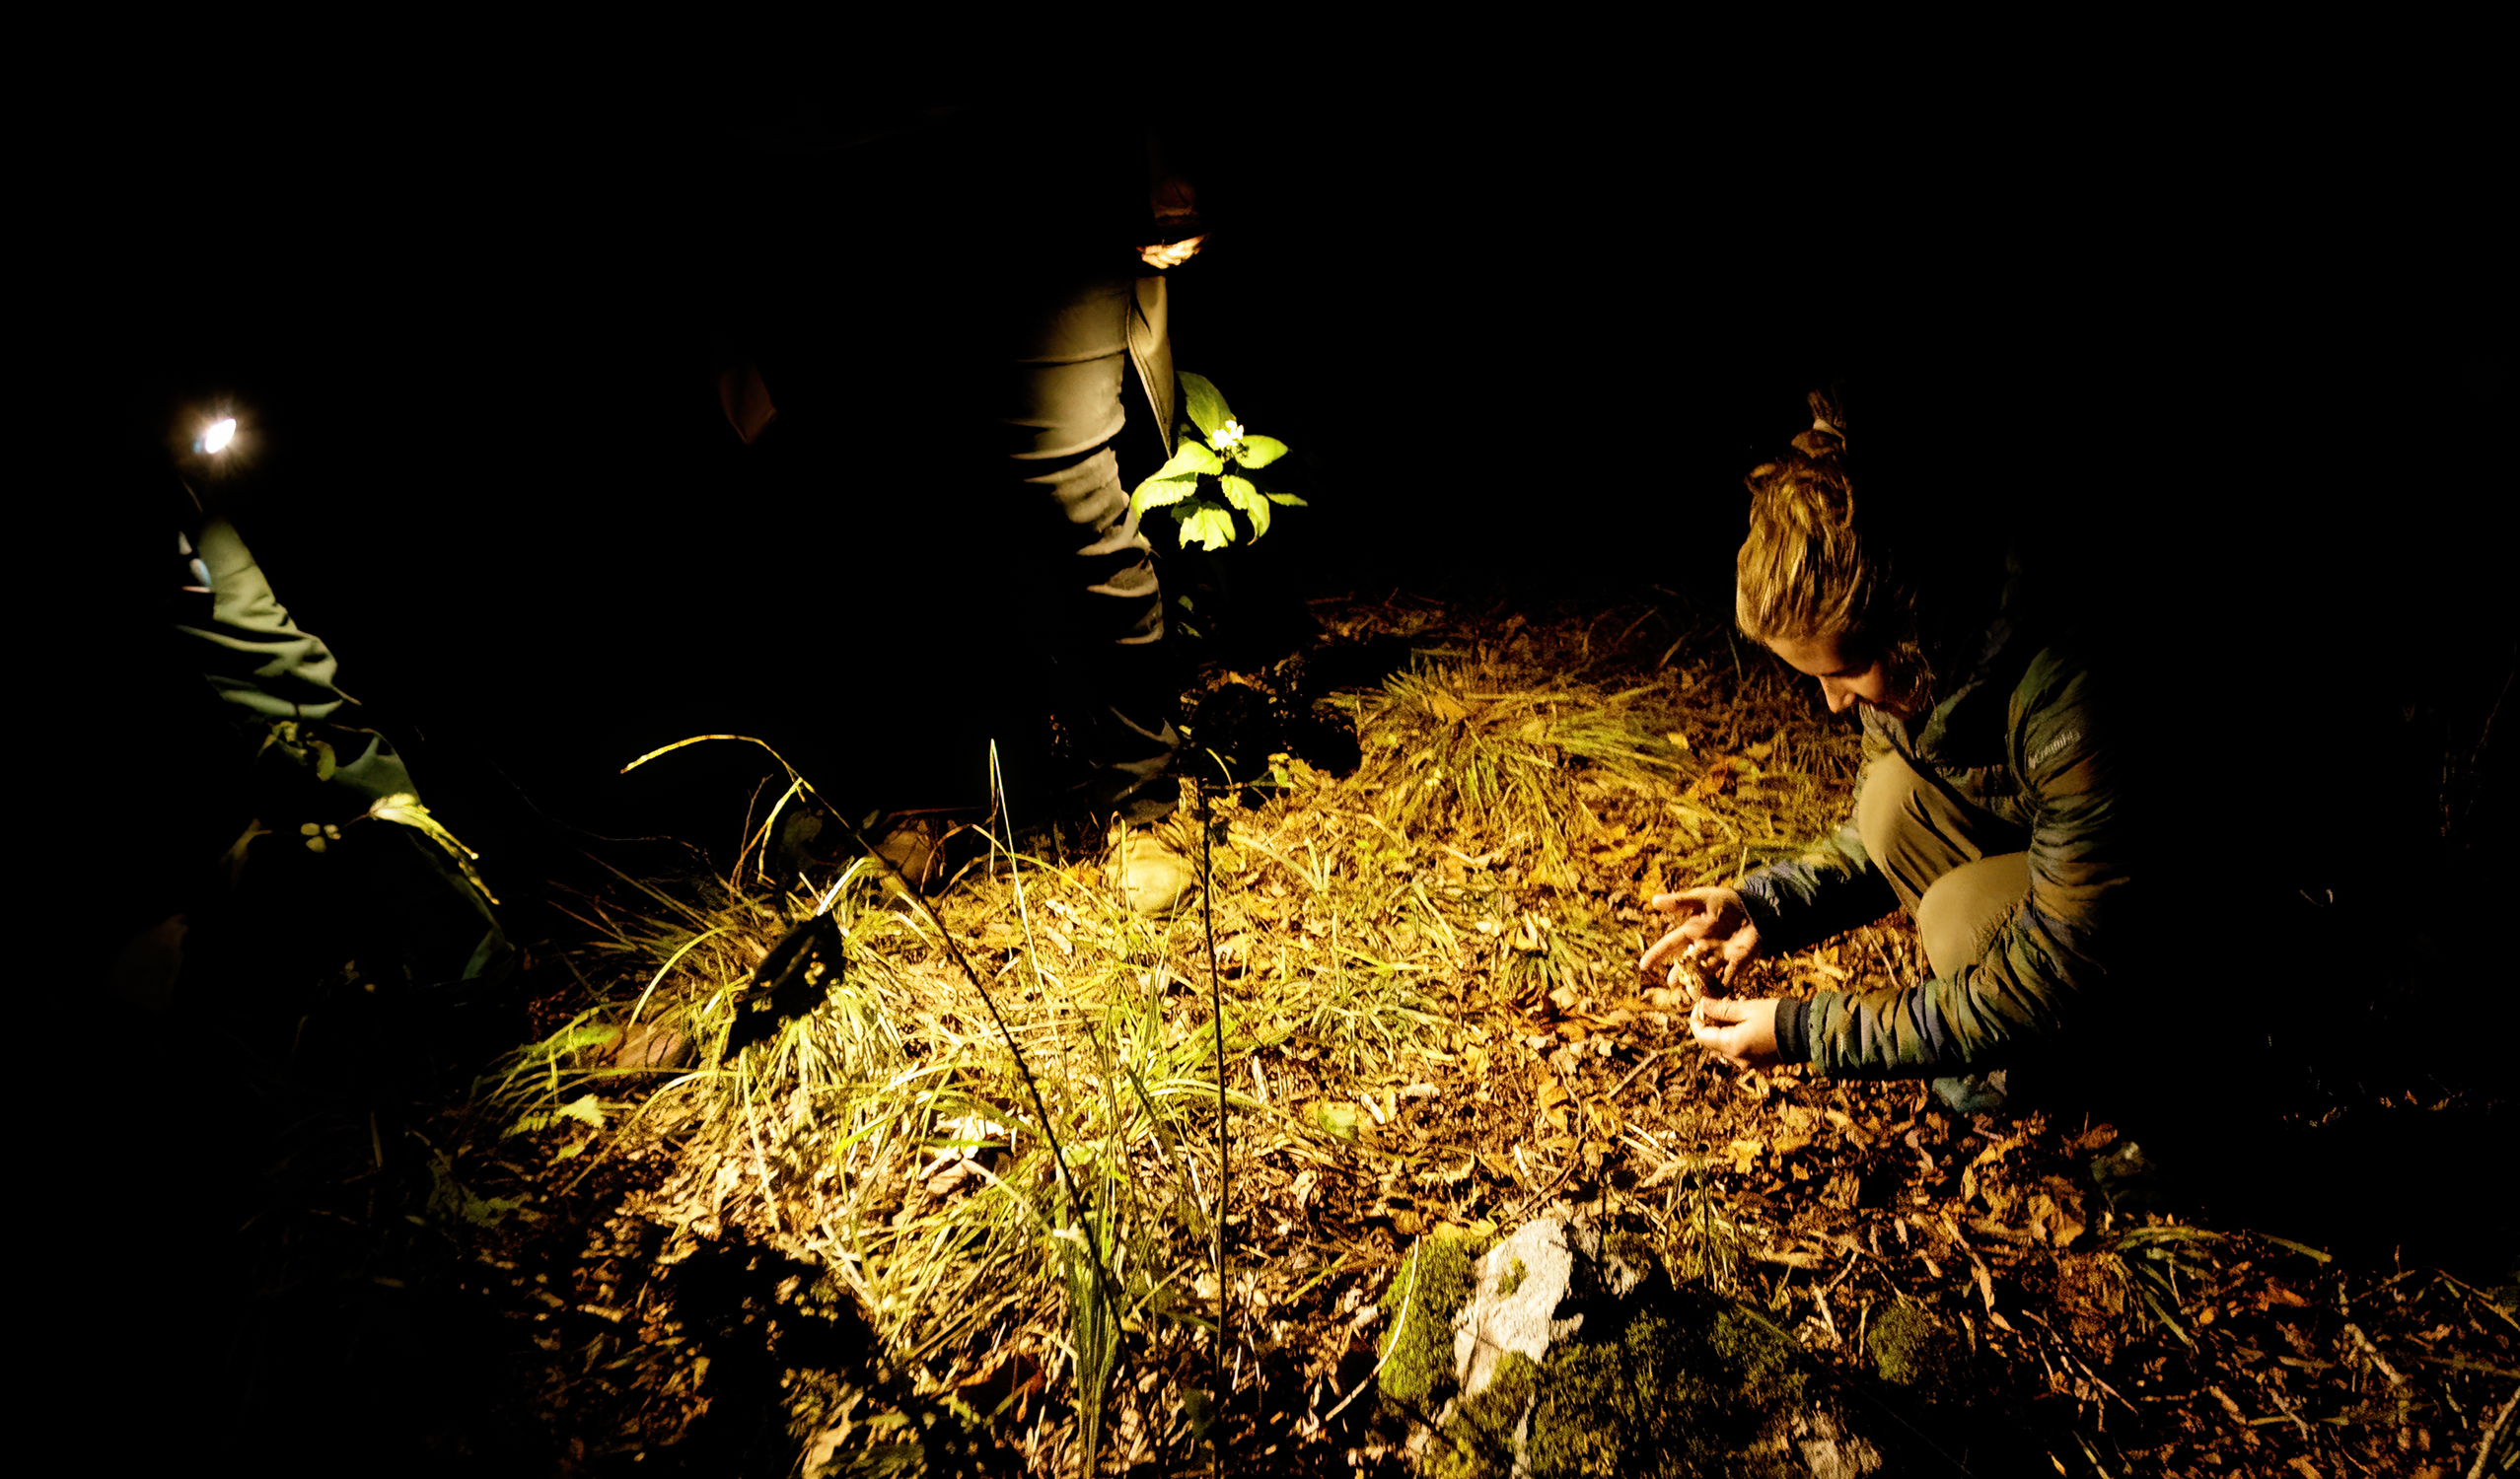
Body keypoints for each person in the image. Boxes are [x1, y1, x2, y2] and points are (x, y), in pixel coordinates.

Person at [710, 97, 1210, 855]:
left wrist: (1158, 158)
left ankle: (1141, 794)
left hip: (1045, 157)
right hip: (845, 180)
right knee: (905, 499)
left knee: (1073, 485)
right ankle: (936, 792)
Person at [1638, 390, 2128, 1116]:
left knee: (1962, 916)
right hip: (2072, 873)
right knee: (1889, 801)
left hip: (2210, 923)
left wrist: (1807, 1031)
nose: (1832, 703)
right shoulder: (1926, 666)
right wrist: (1764, 907)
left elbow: (2058, 965)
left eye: (1841, 673)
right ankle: (2022, 1056)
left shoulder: (2074, 694)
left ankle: (2151, 1093)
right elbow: (1879, 836)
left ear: (1908, 617)